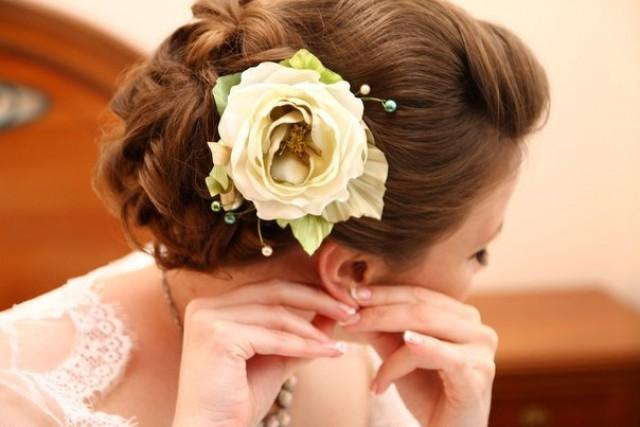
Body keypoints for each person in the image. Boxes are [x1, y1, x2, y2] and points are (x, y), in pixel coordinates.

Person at [0, 0, 549, 425]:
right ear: (353, 273)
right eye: (478, 250)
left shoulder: (384, 372)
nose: (478, 275)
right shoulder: (20, 390)